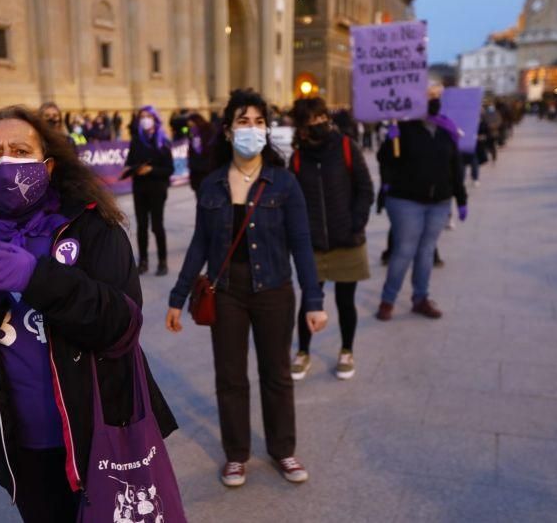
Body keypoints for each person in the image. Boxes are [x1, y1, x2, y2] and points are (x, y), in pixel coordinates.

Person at [0, 105, 177, 522]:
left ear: (48, 165)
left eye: (20, 150)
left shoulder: (92, 227)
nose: (6, 162)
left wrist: (40, 279)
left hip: (100, 438)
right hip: (25, 450)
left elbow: (122, 326)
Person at [166, 89, 328, 487]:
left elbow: (302, 245)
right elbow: (199, 245)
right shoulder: (213, 185)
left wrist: (314, 299)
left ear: (267, 130)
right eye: (243, 121)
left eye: (258, 122)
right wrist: (177, 296)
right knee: (230, 377)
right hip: (227, 292)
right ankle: (236, 454)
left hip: (274, 288)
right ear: (227, 131)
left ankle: (283, 450)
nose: (251, 129)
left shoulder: (284, 184)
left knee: (277, 374)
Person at [287, 100, 374, 381]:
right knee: (310, 302)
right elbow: (293, 201)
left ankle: (347, 350)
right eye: (311, 120)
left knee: (345, 301)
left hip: (347, 240)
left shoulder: (347, 147)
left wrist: (355, 223)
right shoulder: (298, 158)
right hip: (313, 244)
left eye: (322, 116)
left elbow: (365, 188)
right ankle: (303, 351)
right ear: (301, 128)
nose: (319, 123)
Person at [375, 99, 467, 321]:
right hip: (406, 200)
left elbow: (455, 167)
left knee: (426, 251)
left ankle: (420, 298)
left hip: (439, 201)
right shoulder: (404, 128)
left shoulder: (447, 130)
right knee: (404, 250)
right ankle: (388, 300)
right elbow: (384, 159)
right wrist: (390, 140)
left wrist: (461, 198)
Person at [124, 105, 174, 276]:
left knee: (157, 226)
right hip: (140, 188)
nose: (145, 119)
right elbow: (129, 162)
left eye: (148, 116)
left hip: (157, 189)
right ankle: (143, 261)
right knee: (142, 226)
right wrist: (137, 168)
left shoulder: (163, 142)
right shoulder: (137, 140)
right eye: (142, 116)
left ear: (155, 119)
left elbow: (169, 169)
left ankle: (162, 261)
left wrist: (151, 170)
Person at [186, 112, 215, 194]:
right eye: (190, 126)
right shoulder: (192, 137)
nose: (191, 128)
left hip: (209, 173)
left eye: (193, 125)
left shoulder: (210, 133)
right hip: (197, 177)